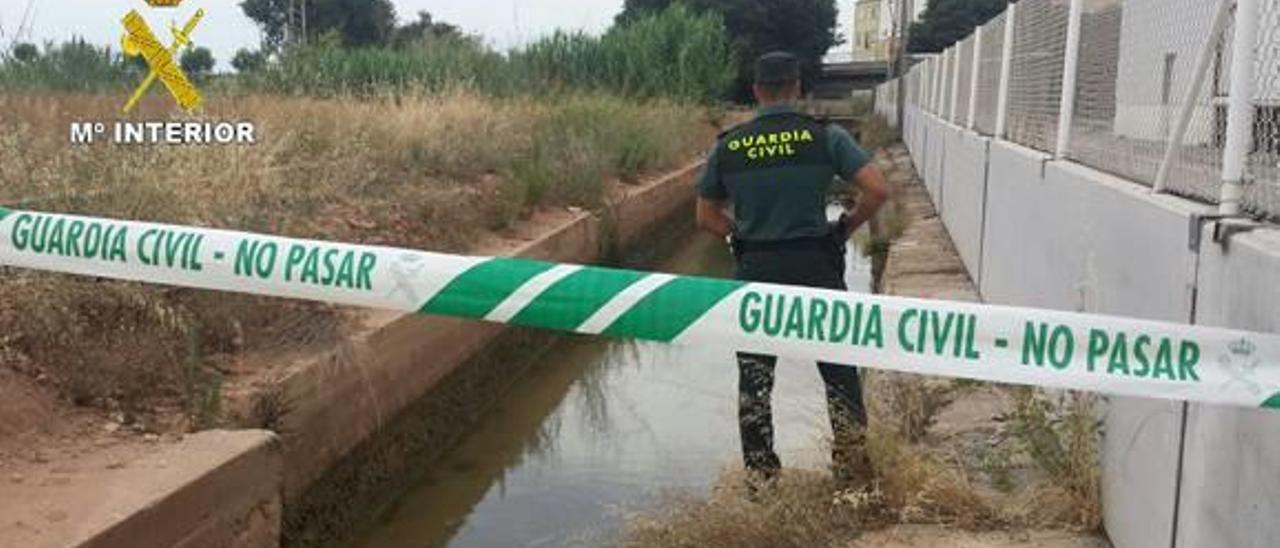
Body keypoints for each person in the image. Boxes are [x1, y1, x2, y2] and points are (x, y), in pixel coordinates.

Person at [695, 51, 890, 489]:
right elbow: (877, 190)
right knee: (840, 375)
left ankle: (762, 481)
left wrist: (739, 237)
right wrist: (843, 228)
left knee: (755, 382)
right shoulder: (825, 137)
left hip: (755, 273)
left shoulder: (729, 146)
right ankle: (854, 475)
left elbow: (705, 218)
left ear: (757, 91)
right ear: (799, 88)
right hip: (817, 267)